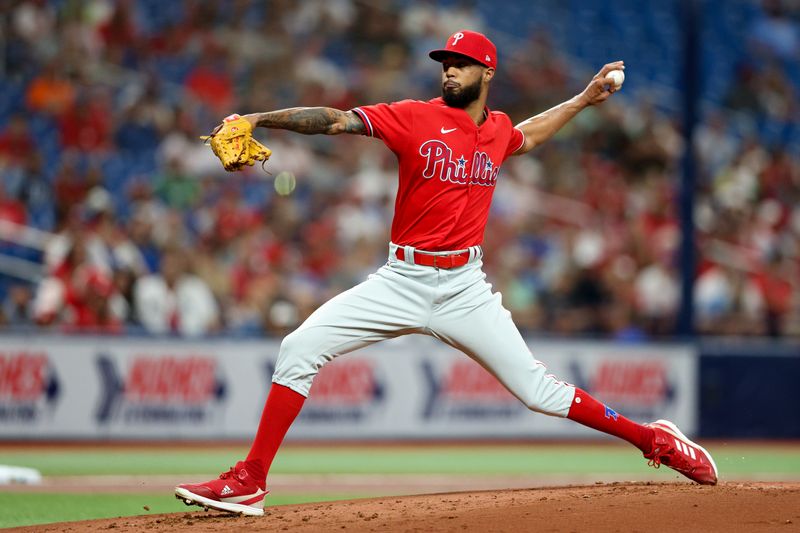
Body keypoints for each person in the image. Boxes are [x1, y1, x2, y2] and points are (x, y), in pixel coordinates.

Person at [175, 30, 718, 516]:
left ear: (487, 73)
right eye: (445, 62)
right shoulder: (414, 115)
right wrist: (259, 119)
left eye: (460, 62)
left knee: (537, 392)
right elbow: (336, 119)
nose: (449, 69)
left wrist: (581, 99)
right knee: (298, 347)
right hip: (400, 280)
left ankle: (655, 441)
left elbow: (526, 133)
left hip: (465, 289)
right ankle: (250, 481)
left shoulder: (497, 130)